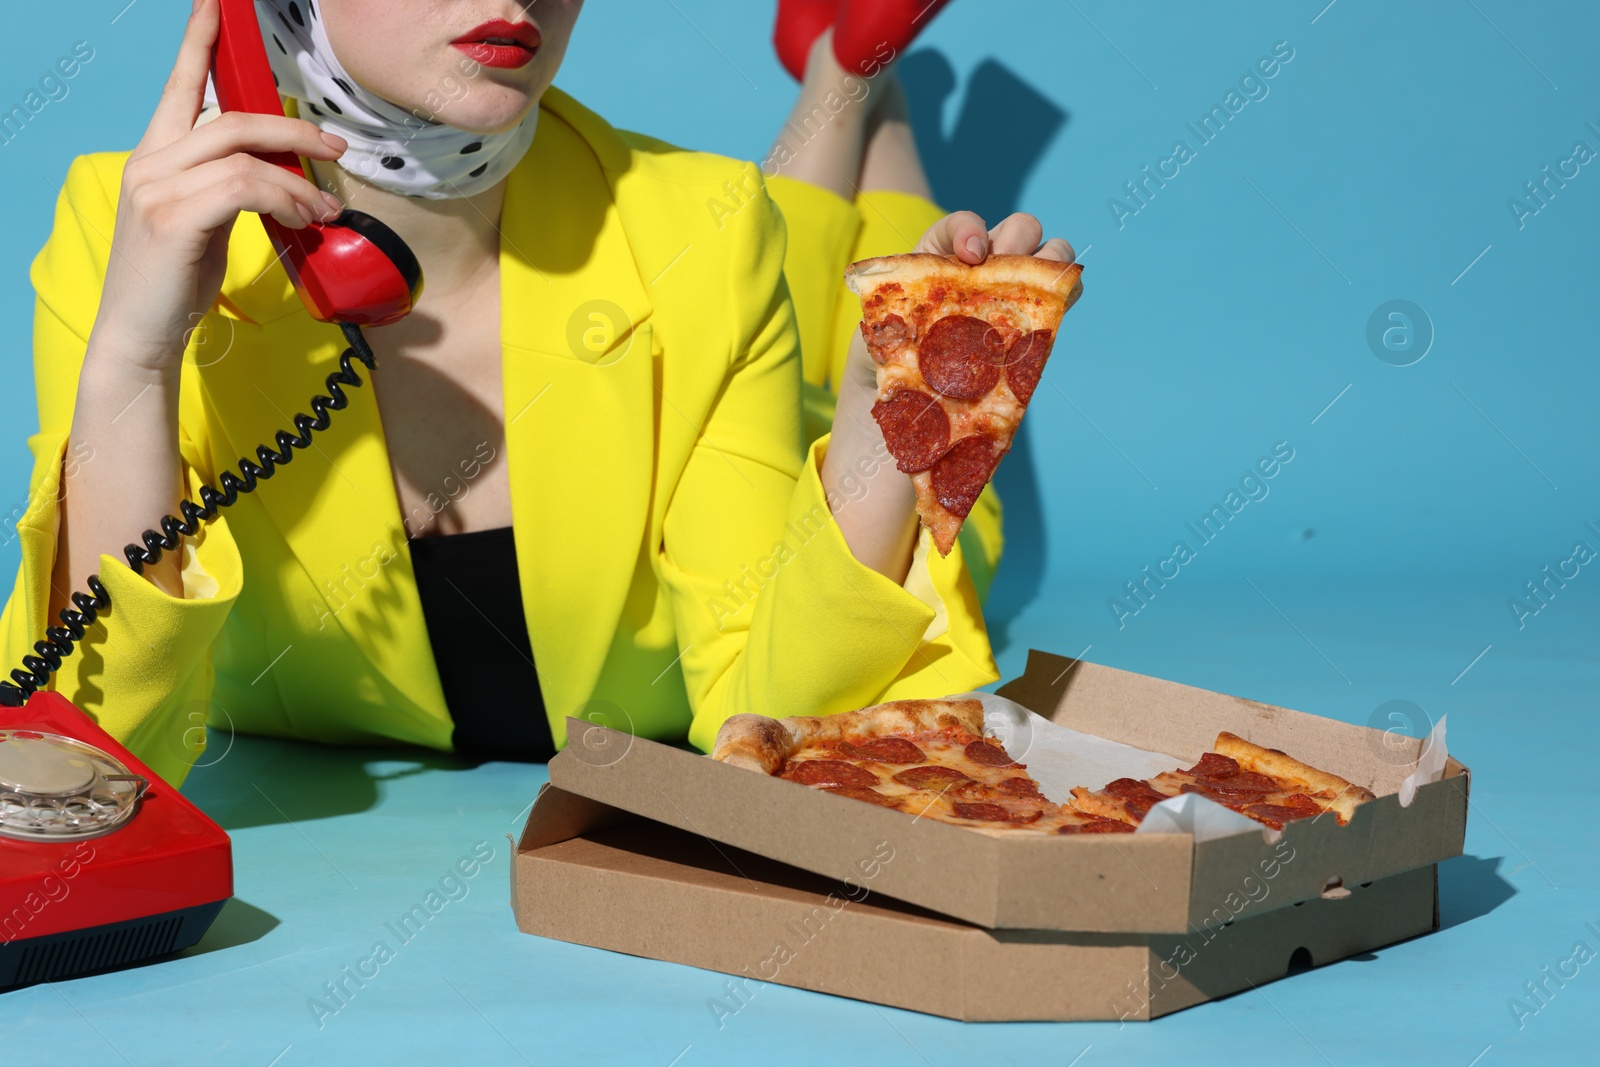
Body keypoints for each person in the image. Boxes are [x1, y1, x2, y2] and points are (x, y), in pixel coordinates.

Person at [0, 0, 1075, 787]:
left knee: (874, 361)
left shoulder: (706, 230)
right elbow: (90, 763)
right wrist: (135, 364)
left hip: (703, 267)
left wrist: (893, 419)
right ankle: (846, 78)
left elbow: (781, 712)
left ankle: (849, 86)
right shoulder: (127, 231)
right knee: (777, 252)